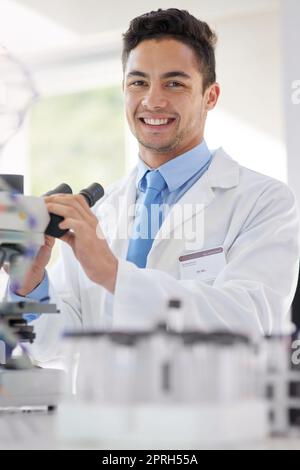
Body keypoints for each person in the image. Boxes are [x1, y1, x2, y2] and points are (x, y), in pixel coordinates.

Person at [9, 8, 300, 363]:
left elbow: (251, 323)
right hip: (102, 416)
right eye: (139, 82)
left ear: (210, 96)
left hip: (207, 418)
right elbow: (57, 346)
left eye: (175, 83)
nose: (153, 100)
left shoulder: (264, 202)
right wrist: (31, 286)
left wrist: (114, 275)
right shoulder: (97, 212)